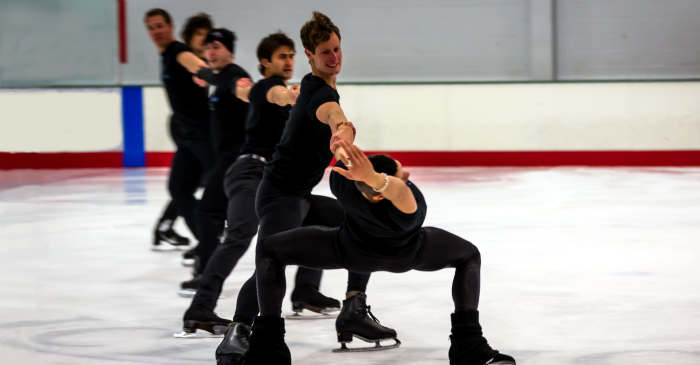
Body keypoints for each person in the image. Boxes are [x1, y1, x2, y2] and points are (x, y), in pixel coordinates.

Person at [234, 142, 517, 365]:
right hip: (409, 255)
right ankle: (469, 346)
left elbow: (344, 163)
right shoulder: (410, 200)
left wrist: (343, 144)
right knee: (469, 256)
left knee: (269, 249)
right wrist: (375, 178)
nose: (406, 174)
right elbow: (395, 190)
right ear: (382, 188)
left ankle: (268, 347)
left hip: (351, 252)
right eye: (400, 171)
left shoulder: (343, 184)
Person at [215, 12, 393, 365]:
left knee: (364, 221)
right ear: (310, 55)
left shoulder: (322, 89)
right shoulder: (318, 91)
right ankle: (238, 330)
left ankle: (354, 308)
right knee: (272, 261)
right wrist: (341, 129)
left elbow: (338, 122)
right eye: (325, 51)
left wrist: (344, 133)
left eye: (337, 48)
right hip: (279, 193)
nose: (334, 57)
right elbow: (332, 115)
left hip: (299, 196)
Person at [178, 32, 302, 339]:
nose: (288, 61)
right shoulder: (273, 88)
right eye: (281, 56)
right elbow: (276, 95)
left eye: (291, 55)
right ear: (265, 62)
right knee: (239, 234)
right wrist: (290, 96)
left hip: (265, 175)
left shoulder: (254, 87)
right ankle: (201, 304)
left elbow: (242, 90)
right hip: (251, 170)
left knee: (310, 225)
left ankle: (308, 291)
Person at [177, 28, 251, 295]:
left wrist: (249, 91)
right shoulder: (217, 75)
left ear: (229, 51)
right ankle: (206, 268)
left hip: (236, 158)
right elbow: (207, 72)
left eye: (217, 47)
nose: (211, 51)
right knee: (214, 214)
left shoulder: (235, 76)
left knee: (208, 212)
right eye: (208, 47)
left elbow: (242, 88)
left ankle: (205, 273)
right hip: (227, 157)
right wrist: (199, 73)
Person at [145, 9, 214, 252]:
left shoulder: (178, 52)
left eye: (160, 25)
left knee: (213, 184)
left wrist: (206, 73)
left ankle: (212, 236)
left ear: (171, 26)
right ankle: (206, 240)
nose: (157, 31)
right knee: (181, 187)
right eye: (152, 27)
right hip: (187, 133)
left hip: (203, 134)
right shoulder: (168, 55)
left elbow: (195, 65)